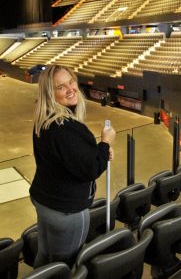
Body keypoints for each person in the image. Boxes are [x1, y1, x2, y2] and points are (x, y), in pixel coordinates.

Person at [29, 64, 116, 268]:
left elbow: (69, 158)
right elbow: (90, 169)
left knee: (45, 255)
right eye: (61, 87)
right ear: (50, 94)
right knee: (64, 266)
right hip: (66, 211)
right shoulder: (65, 128)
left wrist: (99, 153)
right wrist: (105, 143)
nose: (70, 89)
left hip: (44, 201)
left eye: (71, 81)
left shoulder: (45, 119)